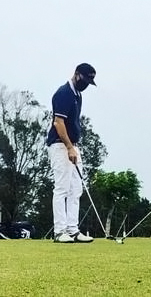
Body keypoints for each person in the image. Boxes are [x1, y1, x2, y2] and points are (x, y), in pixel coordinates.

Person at [46, 63, 97, 243]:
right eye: (85, 79)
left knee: (76, 188)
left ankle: (72, 230)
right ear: (77, 75)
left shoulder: (78, 95)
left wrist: (72, 146)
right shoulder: (64, 93)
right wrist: (68, 147)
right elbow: (58, 123)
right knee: (62, 188)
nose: (86, 84)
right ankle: (59, 231)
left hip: (72, 145)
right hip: (60, 145)